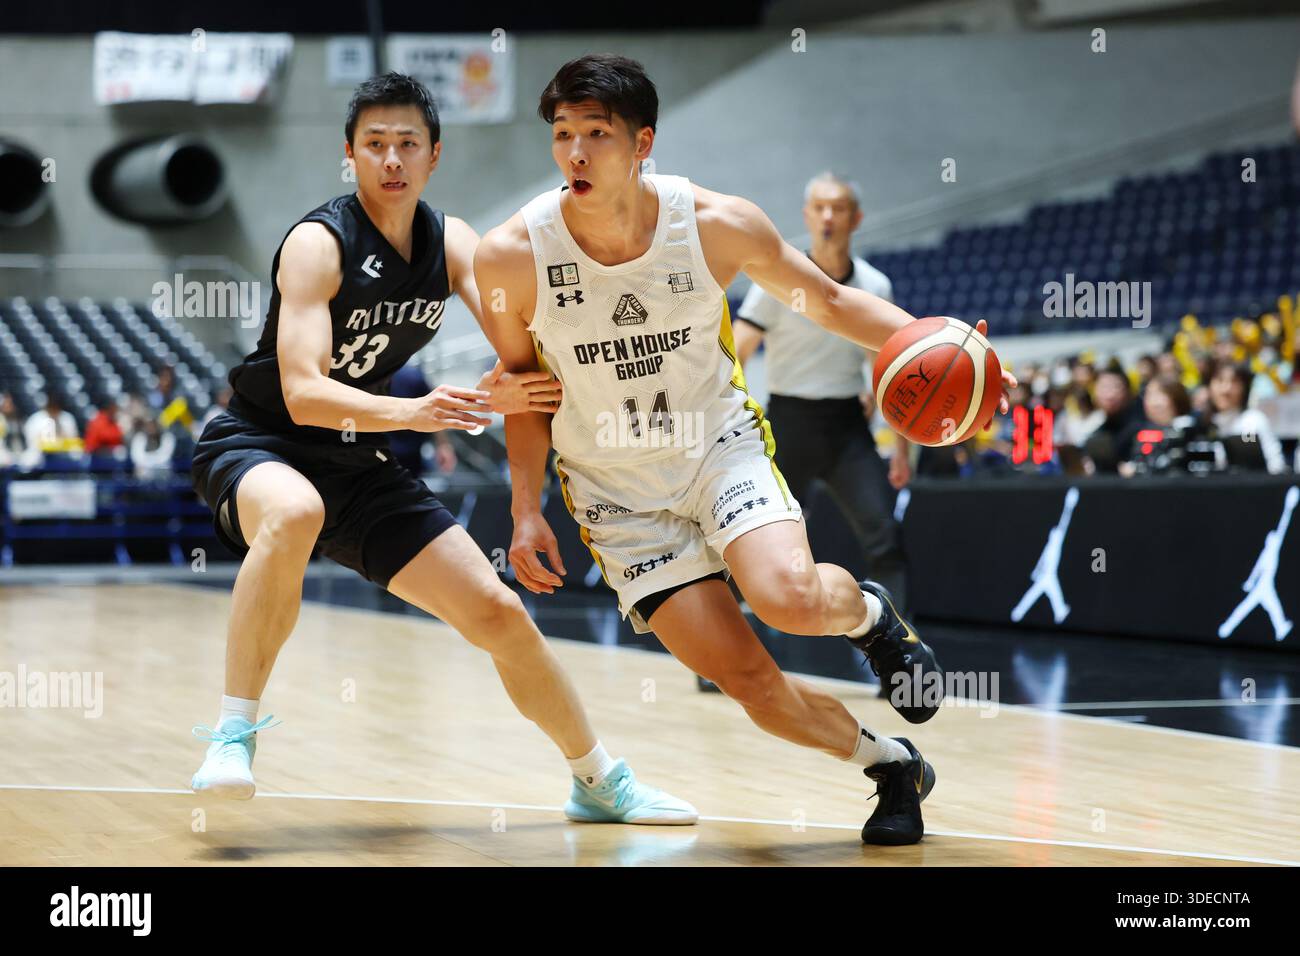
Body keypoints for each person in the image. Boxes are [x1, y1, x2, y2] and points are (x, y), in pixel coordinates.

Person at [475, 55, 1015, 845]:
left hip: (717, 449)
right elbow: (523, 397)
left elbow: (828, 302)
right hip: (616, 495)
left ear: (643, 142)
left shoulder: (716, 224)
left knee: (788, 599)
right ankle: (893, 764)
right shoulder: (512, 256)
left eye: (597, 133)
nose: (576, 153)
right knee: (754, 687)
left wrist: (943, 340)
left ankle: (871, 618)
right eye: (563, 135)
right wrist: (526, 510)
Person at [188, 72, 695, 825]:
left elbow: (517, 353)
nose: (392, 159)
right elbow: (302, 391)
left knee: (498, 612)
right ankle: (233, 734)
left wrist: (515, 385)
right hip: (263, 443)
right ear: (350, 157)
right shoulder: (317, 246)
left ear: (434, 156)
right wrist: (417, 411)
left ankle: (599, 781)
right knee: (293, 512)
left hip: (359, 463)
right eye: (375, 145)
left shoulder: (455, 245)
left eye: (408, 145)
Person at [731, 172, 911, 614]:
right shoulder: (777, 279)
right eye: (820, 207)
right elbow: (734, 352)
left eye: (839, 207)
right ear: (808, 216)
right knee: (753, 541)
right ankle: (730, 659)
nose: (829, 216)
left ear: (856, 218)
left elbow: (887, 374)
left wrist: (902, 450)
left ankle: (903, 662)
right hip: (787, 424)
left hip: (847, 427)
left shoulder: (875, 285)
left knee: (885, 535)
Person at [1205, 361, 1286, 474]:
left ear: (1244, 388)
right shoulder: (1202, 423)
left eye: (1234, 382)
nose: (1225, 389)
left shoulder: (1253, 421)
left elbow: (1276, 465)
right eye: (1220, 381)